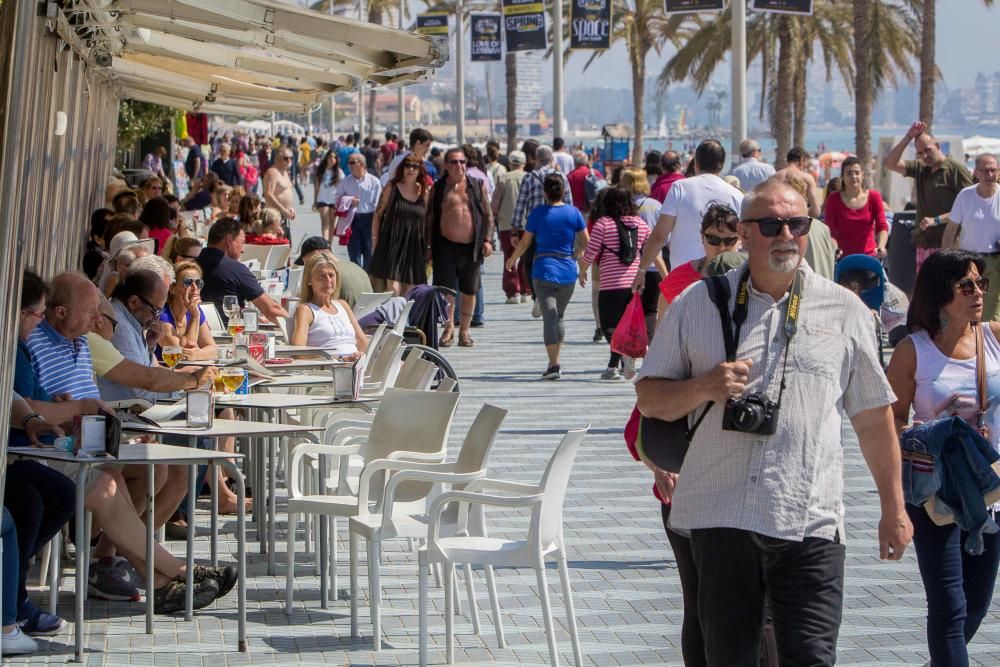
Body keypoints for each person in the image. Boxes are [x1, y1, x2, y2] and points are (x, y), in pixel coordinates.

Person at [636, 179, 911, 666]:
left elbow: (873, 419)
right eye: (771, 224)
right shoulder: (696, 306)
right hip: (722, 518)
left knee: (810, 656)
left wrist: (894, 508)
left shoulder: (845, 311)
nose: (786, 234)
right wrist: (705, 387)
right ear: (743, 233)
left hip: (809, 518)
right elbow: (650, 399)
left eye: (797, 223)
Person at [885, 249, 1000, 666]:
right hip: (935, 490)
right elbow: (891, 420)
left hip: (988, 488)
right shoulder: (913, 351)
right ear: (940, 294)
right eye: (966, 286)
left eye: (980, 284)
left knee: (977, 604)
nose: (977, 293)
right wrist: (932, 429)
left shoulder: (994, 337)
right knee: (949, 604)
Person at [505, 174, 588, 379]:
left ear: (545, 193)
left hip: (543, 269)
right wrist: (579, 259)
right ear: (563, 192)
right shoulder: (574, 213)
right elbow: (587, 242)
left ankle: (553, 364)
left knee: (550, 316)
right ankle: (555, 362)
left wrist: (511, 260)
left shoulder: (538, 214)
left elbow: (524, 243)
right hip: (568, 271)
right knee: (557, 315)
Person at [633, 140, 744, 291]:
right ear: (722, 164)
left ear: (696, 163)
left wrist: (642, 269)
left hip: (684, 276)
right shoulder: (736, 195)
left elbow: (660, 235)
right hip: (724, 276)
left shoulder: (680, 188)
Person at [579, 187, 652, 380]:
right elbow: (651, 248)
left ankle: (624, 357)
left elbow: (591, 251)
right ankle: (614, 366)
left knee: (609, 326)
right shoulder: (640, 224)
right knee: (627, 326)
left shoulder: (604, 223)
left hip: (610, 284)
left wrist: (582, 271)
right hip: (634, 284)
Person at [426, 147, 495, 348]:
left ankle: (464, 331)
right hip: (445, 245)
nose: (459, 166)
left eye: (462, 162)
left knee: (469, 290)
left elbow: (488, 215)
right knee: (447, 291)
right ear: (446, 165)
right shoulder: (439, 188)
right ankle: (448, 329)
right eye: (454, 162)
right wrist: (429, 246)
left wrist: (488, 240)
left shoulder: (476, 185)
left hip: (471, 247)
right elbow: (430, 219)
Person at [884, 121, 974, 272]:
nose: (924, 155)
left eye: (928, 150)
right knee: (926, 292)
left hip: (948, 245)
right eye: (920, 153)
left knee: (947, 291)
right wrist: (908, 136)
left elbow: (969, 208)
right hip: (924, 245)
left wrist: (937, 219)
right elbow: (890, 163)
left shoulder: (956, 171)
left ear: (937, 147)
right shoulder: (921, 169)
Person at [511, 145, 573, 316]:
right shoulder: (562, 177)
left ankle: (538, 295)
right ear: (551, 159)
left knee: (530, 262)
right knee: (555, 259)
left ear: (536, 159)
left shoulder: (530, 177)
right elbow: (569, 203)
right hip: (558, 228)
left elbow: (520, 205)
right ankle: (552, 294)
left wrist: (515, 230)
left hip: (534, 228)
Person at [657, 203, 741, 322]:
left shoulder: (753, 277)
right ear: (702, 238)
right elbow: (662, 329)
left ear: (740, 239)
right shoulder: (678, 279)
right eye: (714, 239)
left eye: (729, 240)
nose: (722, 247)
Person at [197, 217, 289, 324]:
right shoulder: (235, 269)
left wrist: (243, 313)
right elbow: (271, 310)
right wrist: (300, 327)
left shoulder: (191, 265)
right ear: (229, 240)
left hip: (198, 331)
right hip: (230, 334)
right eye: (241, 243)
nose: (243, 250)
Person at [941, 154, 1000, 321]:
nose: (990, 175)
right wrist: (945, 258)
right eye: (985, 171)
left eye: (993, 170)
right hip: (969, 262)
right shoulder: (966, 196)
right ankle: (971, 344)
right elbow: (951, 228)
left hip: (995, 262)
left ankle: (990, 346)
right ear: (976, 173)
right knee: (967, 308)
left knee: (993, 313)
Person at [370, 153, 429, 296]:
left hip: (414, 244)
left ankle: (402, 318)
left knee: (410, 291)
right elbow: (377, 215)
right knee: (393, 289)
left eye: (415, 167)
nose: (411, 169)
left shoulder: (424, 192)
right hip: (392, 243)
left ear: (420, 170)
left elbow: (427, 221)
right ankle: (392, 318)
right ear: (402, 168)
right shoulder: (392, 187)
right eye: (407, 165)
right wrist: (374, 242)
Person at [290, 252, 367, 358]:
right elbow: (298, 352)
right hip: (328, 369)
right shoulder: (306, 310)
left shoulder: (343, 305)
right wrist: (339, 359)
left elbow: (363, 343)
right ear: (309, 280)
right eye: (322, 276)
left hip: (354, 366)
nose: (328, 281)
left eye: (331, 275)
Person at [823, 156, 888, 259]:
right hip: (843, 259)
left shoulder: (874, 197)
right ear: (842, 177)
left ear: (862, 175)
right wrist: (835, 249)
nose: (853, 176)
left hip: (870, 258)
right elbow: (831, 232)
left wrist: (881, 247)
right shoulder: (833, 199)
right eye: (849, 173)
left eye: (857, 173)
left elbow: (882, 227)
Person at [158, 262, 217, 361]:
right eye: (188, 283)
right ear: (172, 288)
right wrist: (194, 317)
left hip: (186, 372)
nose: (195, 289)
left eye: (198, 283)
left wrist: (197, 354)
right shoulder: (161, 314)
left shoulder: (195, 309)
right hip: (163, 373)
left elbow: (214, 350)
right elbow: (180, 357)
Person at [294, 237, 373, 310]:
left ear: (317, 254)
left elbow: (315, 307)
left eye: (307, 263)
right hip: (368, 317)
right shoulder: (357, 267)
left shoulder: (327, 274)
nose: (307, 268)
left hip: (345, 319)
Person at [493, 151, 530, 304]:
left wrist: (493, 218)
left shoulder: (504, 178)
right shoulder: (530, 177)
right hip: (528, 224)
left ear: (510, 163)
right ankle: (526, 291)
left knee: (509, 257)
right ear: (524, 163)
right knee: (526, 257)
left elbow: (495, 204)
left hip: (507, 224)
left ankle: (512, 291)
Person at [774, 147, 822, 217]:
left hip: (779, 219)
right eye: (805, 163)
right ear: (801, 160)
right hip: (799, 221)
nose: (805, 166)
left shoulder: (775, 177)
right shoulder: (807, 178)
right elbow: (816, 210)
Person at [313, 150, 344, 242]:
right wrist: (315, 201)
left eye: (334, 157)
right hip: (322, 199)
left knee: (332, 223)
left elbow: (342, 188)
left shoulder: (339, 172)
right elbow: (317, 187)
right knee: (325, 223)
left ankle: (330, 243)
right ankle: (325, 243)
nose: (332, 159)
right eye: (330, 157)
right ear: (326, 158)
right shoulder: (321, 171)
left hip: (334, 200)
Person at [262, 148, 298, 227]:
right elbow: (268, 194)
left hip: (284, 216)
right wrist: (283, 210)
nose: (289, 160)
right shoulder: (272, 173)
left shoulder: (284, 172)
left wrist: (289, 208)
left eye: (291, 158)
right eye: (286, 158)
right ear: (277, 159)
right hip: (275, 216)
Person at [566, 151, 602, 216]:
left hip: (576, 211)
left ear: (574, 162)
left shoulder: (570, 176)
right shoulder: (595, 173)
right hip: (593, 210)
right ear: (586, 161)